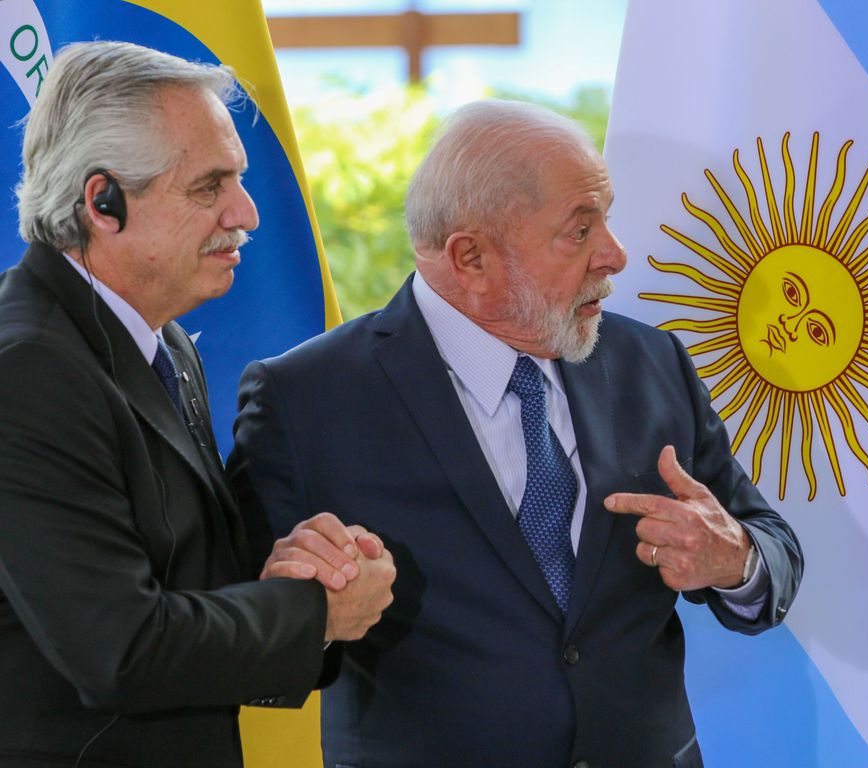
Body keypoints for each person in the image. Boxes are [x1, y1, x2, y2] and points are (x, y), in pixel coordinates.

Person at [229, 100, 803, 768]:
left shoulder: (654, 363)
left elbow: (773, 553)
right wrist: (317, 609)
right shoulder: (306, 399)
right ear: (469, 258)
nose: (614, 256)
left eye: (606, 220)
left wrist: (735, 561)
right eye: (579, 231)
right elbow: (251, 646)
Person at [0, 41, 395, 768]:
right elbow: (121, 649)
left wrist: (303, 567)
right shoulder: (25, 369)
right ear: (102, 203)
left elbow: (186, 576)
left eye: (238, 180)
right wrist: (315, 611)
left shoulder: (162, 339)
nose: (245, 212)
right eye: (209, 186)